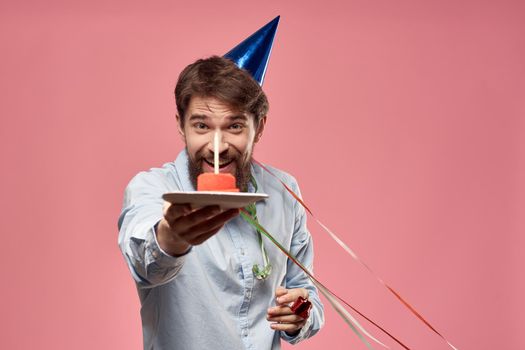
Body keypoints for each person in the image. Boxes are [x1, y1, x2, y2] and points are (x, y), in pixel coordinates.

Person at [118, 37, 324, 350]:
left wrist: (300, 314)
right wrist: (172, 238)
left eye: (234, 126)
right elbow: (144, 260)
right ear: (181, 125)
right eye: (201, 126)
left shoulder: (284, 194)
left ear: (260, 127)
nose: (217, 146)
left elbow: (306, 296)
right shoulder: (153, 189)